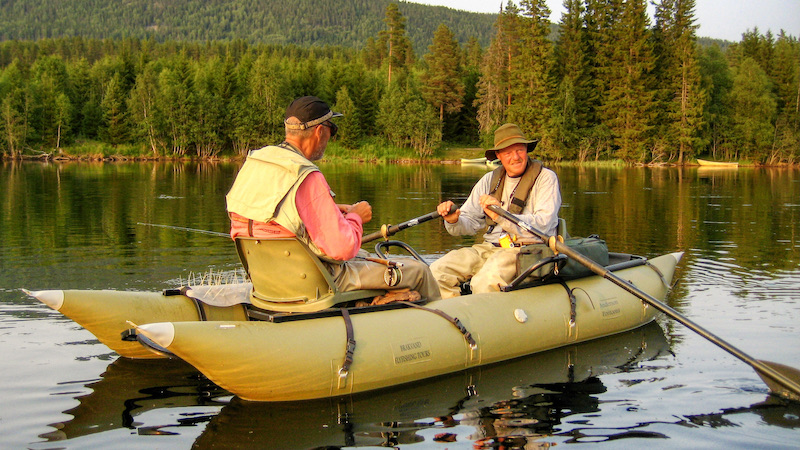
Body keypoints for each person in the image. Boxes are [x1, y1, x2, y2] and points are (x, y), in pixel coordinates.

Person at [225, 96, 441, 302]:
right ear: (320, 131)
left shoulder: (257, 161)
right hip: (316, 282)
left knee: (366, 255)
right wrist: (356, 217)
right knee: (418, 271)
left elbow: (269, 216)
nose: (330, 137)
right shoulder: (307, 175)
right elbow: (343, 249)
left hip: (268, 280)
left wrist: (331, 208)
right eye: (332, 130)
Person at [430, 123, 562, 298]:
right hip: (489, 248)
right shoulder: (489, 180)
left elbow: (542, 227)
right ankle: (454, 318)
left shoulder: (546, 178)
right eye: (508, 152)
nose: (515, 157)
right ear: (498, 155)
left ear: (526, 150)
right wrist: (454, 220)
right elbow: (469, 222)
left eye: (519, 150)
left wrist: (501, 215)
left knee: (483, 282)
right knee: (438, 271)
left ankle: (485, 320)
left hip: (526, 251)